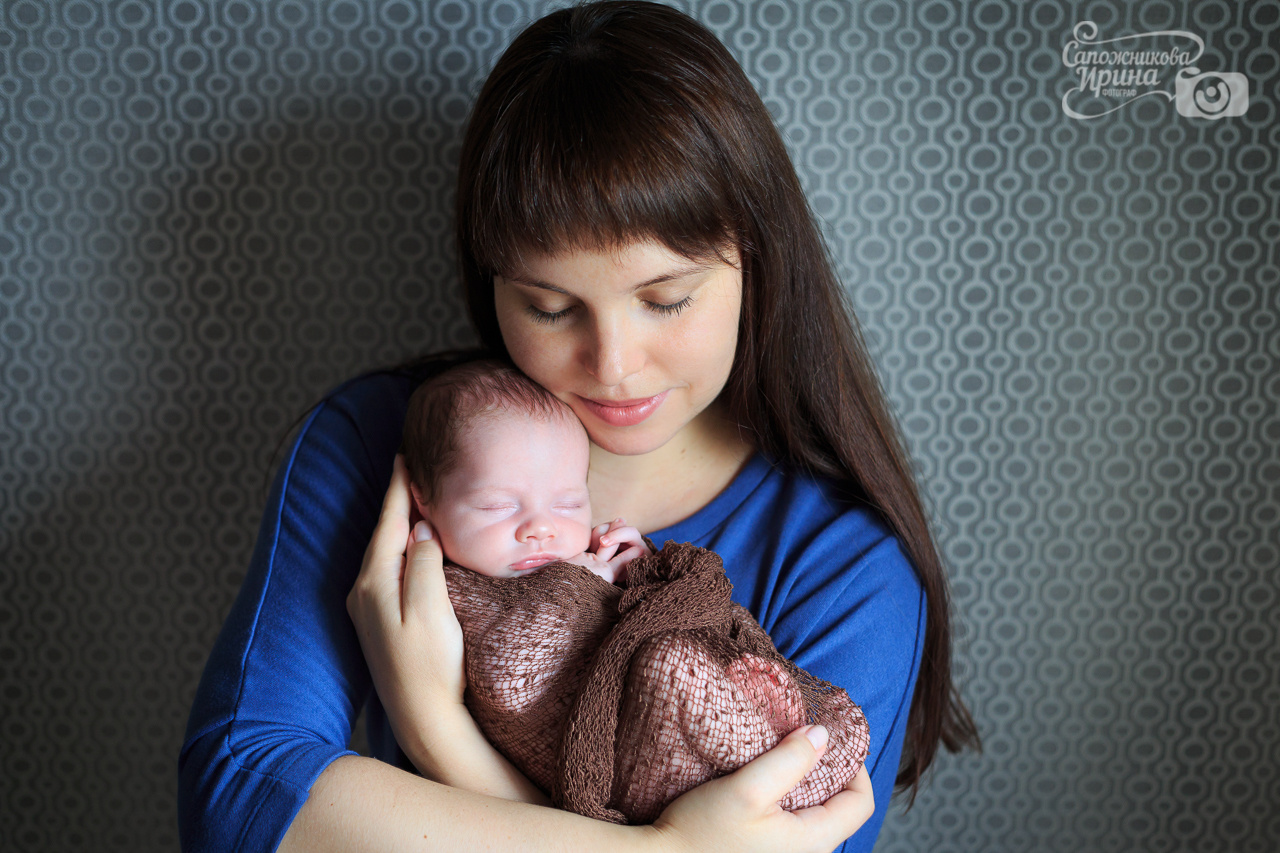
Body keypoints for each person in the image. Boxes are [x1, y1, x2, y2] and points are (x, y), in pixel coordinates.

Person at [178, 3, 979, 852]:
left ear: (756, 259)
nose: (614, 364)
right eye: (550, 307)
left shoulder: (844, 563)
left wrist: (440, 732)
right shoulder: (380, 441)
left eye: (666, 298)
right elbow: (237, 800)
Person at [398, 359, 869, 823]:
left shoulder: (577, 557)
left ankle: (770, 732)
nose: (540, 528)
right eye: (497, 506)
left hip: (669, 734)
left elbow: (632, 617)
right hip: (611, 758)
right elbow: (509, 678)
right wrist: (579, 583)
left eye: (567, 503)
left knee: (725, 669)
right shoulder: (455, 589)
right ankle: (782, 763)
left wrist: (639, 568)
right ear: (424, 498)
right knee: (670, 663)